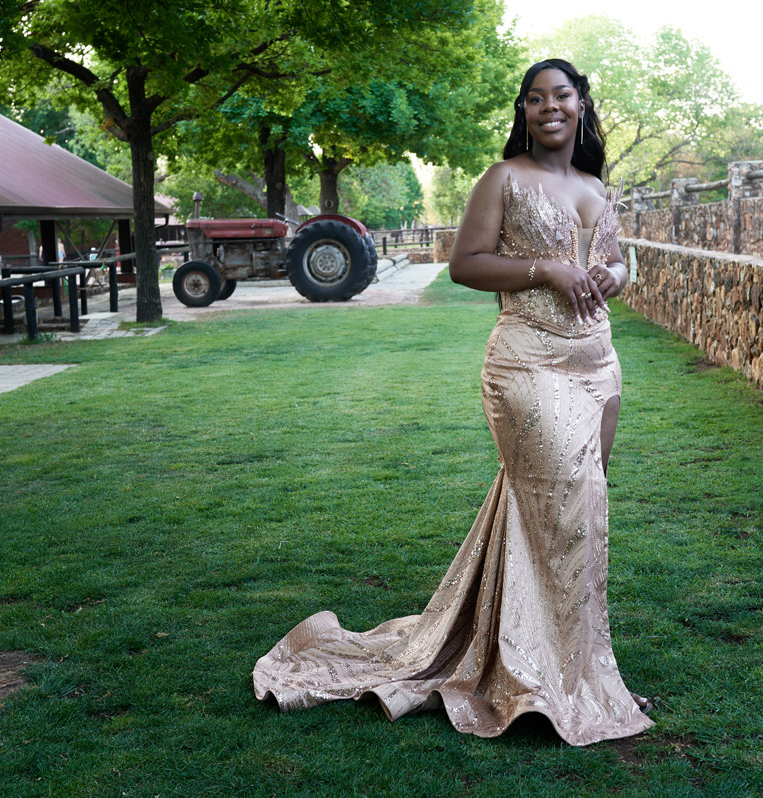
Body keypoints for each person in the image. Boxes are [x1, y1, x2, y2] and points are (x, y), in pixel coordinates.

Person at [252, 59, 653, 746]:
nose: (548, 108)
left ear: (582, 103)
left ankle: (579, 669)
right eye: (534, 99)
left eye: (561, 96)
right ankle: (541, 681)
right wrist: (543, 268)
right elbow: (466, 263)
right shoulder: (503, 179)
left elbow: (617, 259)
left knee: (578, 514)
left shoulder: (594, 185)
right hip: (528, 361)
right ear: (523, 112)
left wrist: (612, 270)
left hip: (597, 364)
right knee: (565, 511)